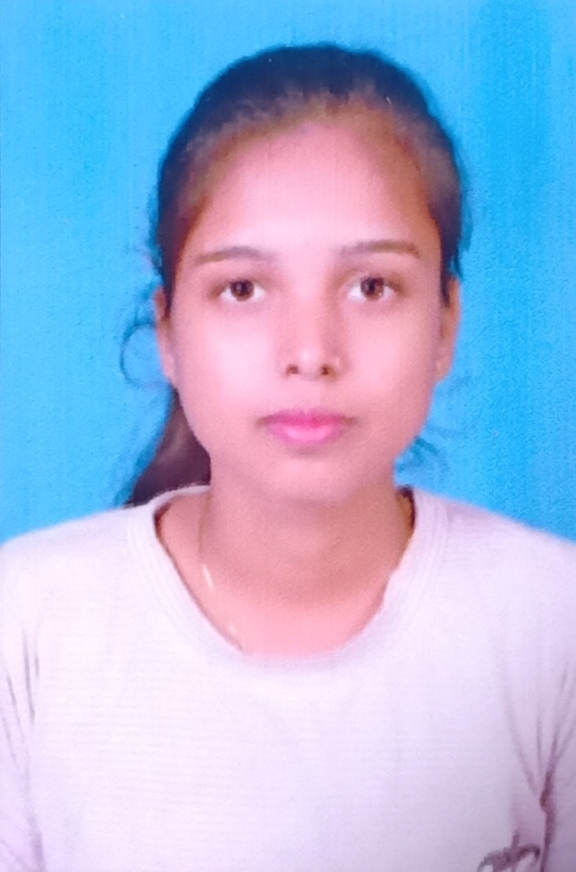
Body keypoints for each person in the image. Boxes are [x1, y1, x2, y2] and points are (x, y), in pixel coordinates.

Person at [1, 43, 575, 872]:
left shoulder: (552, 627)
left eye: (372, 286)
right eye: (242, 289)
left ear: (446, 324)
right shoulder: (28, 629)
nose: (310, 352)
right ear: (168, 331)